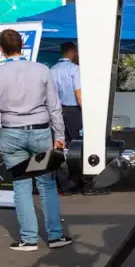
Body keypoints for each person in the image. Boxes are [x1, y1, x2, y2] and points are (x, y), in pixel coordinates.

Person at [0, 29, 72, 252]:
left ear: (1, 50)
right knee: (47, 184)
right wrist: (59, 136)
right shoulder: (42, 70)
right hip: (40, 132)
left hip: (11, 133)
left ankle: (28, 240)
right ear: (22, 46)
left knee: (21, 186)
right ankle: (55, 237)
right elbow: (54, 108)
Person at [50, 42, 83, 193]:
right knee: (77, 146)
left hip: (56, 111)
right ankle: (77, 180)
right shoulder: (75, 69)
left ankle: (62, 182)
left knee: (60, 145)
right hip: (73, 111)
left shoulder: (51, 70)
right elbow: (79, 94)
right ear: (72, 51)